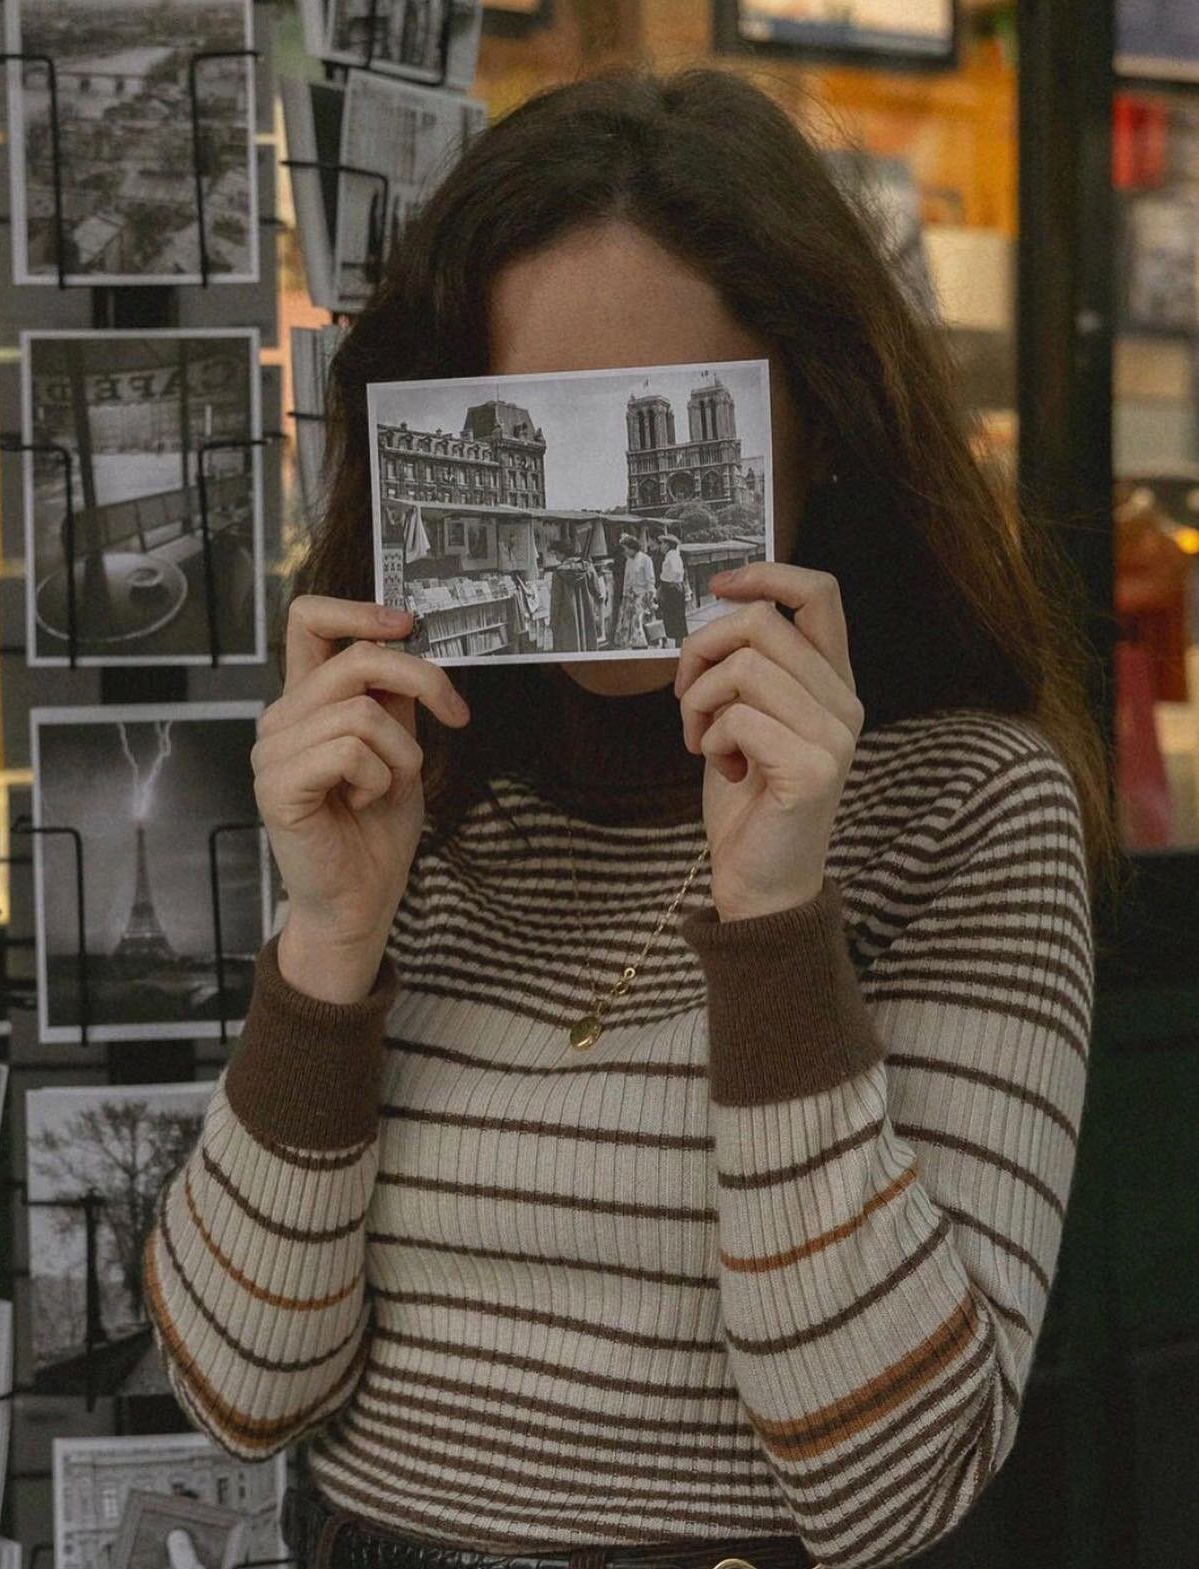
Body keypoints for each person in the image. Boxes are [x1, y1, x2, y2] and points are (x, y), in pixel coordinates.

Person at [144, 66, 1114, 1569]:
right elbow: (239, 1387)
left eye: (666, 433)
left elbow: (897, 1485)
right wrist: (331, 938)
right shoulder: (418, 785)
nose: (594, 502)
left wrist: (777, 921)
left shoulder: (964, 805)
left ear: (819, 434)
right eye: (521, 427)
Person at [613, 531, 655, 649]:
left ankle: (642, 645)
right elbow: (627, 579)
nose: (625, 552)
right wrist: (625, 595)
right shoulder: (629, 560)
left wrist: (650, 597)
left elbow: (650, 579)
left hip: (641, 595)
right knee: (628, 622)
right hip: (629, 596)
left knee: (639, 621)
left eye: (626, 549)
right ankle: (633, 644)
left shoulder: (645, 559)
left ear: (632, 548)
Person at [658, 529, 689, 646]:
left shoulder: (672, 556)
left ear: (668, 545)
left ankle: (678, 645)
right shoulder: (672, 555)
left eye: (662, 544)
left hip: (673, 589)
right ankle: (677, 643)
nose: (661, 546)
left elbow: (676, 572)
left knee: (675, 618)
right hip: (673, 588)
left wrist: (668, 582)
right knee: (674, 618)